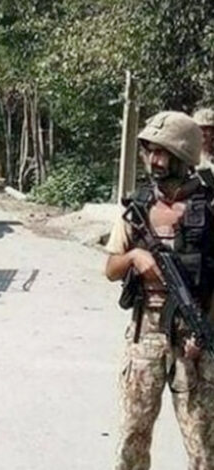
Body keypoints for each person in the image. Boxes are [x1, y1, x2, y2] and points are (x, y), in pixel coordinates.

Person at [105, 111, 214, 469]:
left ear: (183, 156)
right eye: (150, 151)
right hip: (146, 335)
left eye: (162, 152)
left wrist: (205, 331)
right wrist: (135, 256)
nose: (154, 160)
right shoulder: (137, 206)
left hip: (196, 340)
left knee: (204, 448)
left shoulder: (209, 208)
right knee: (132, 441)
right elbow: (111, 269)